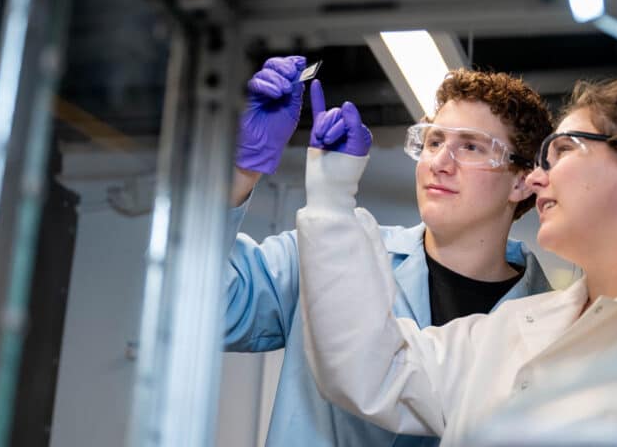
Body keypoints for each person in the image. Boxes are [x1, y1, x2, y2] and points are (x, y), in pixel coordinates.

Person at [296, 63, 617, 446]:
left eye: (561, 152)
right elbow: (369, 367)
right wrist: (331, 198)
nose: (537, 178)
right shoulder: (509, 329)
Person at [224, 55, 555, 447]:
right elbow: (212, 308)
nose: (440, 163)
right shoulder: (328, 255)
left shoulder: (552, 327)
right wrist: (241, 172)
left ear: (522, 182)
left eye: (470, 147)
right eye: (434, 142)